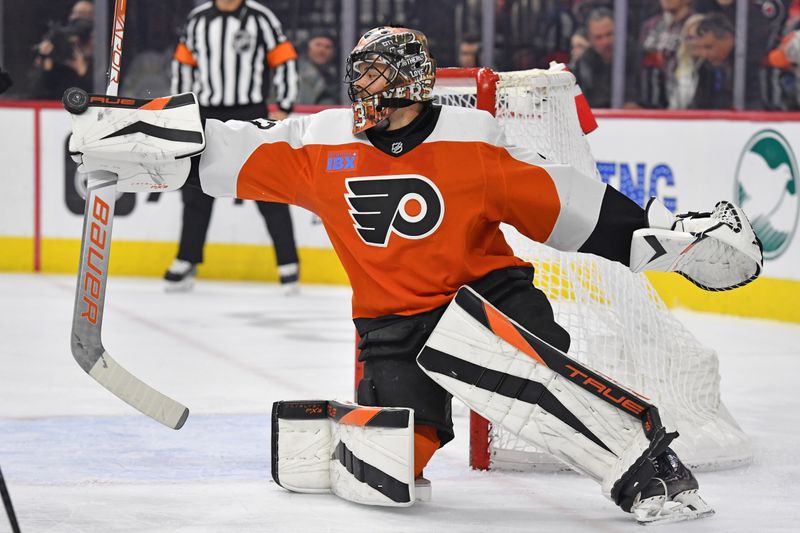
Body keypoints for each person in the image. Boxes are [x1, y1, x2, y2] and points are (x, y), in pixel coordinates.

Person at [69, 26, 762, 523]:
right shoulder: (322, 143)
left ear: (412, 84)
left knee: (483, 345)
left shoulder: (472, 143)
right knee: (381, 474)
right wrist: (137, 134)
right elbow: (224, 146)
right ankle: (370, 435)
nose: (363, 91)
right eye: (360, 77)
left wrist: (660, 242)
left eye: (377, 78)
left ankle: (648, 464)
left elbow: (571, 209)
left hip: (492, 300)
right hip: (392, 329)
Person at [166, 0, 300, 292]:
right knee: (196, 191)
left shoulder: (259, 17)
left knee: (268, 186)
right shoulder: (198, 19)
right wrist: (181, 110)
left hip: (250, 112)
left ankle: (288, 263)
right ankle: (187, 259)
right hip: (206, 113)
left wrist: (285, 106)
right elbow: (183, 65)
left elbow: (285, 58)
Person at [30, 0, 94, 100]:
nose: (76, 18)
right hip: (57, 109)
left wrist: (82, 70)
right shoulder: (60, 47)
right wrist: (45, 62)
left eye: (83, 14)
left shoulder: (102, 53)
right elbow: (36, 94)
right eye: (74, 13)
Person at [637, 0, 694, 109]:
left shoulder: (695, 25)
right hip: (649, 99)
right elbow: (638, 65)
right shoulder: (650, 25)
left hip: (683, 99)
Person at [690, 13, 735, 109]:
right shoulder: (704, 67)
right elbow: (698, 105)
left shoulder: (746, 64)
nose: (704, 54)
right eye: (700, 48)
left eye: (709, 47)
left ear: (728, 38)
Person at [572, 7, 615, 107]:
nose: (605, 42)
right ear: (590, 39)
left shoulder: (634, 57)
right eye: (598, 37)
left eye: (609, 34)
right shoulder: (584, 63)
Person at [296, 32, 339, 105]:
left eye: (327, 47)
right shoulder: (294, 71)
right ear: (307, 48)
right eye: (318, 45)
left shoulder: (335, 77)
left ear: (333, 53)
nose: (322, 50)